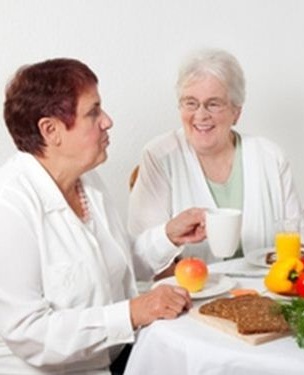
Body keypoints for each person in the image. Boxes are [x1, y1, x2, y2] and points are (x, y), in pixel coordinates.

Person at [0, 58, 206, 374]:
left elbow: (114, 262)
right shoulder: (10, 205)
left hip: (116, 359)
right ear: (50, 130)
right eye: (93, 112)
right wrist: (132, 314)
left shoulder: (86, 181)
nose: (107, 121)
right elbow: (29, 333)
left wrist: (169, 235)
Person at [128, 48, 302, 264]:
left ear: (236, 112)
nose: (201, 115)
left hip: (270, 290)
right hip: (192, 293)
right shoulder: (159, 156)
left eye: (213, 104)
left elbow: (297, 238)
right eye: (190, 103)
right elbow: (141, 256)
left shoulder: (270, 157)